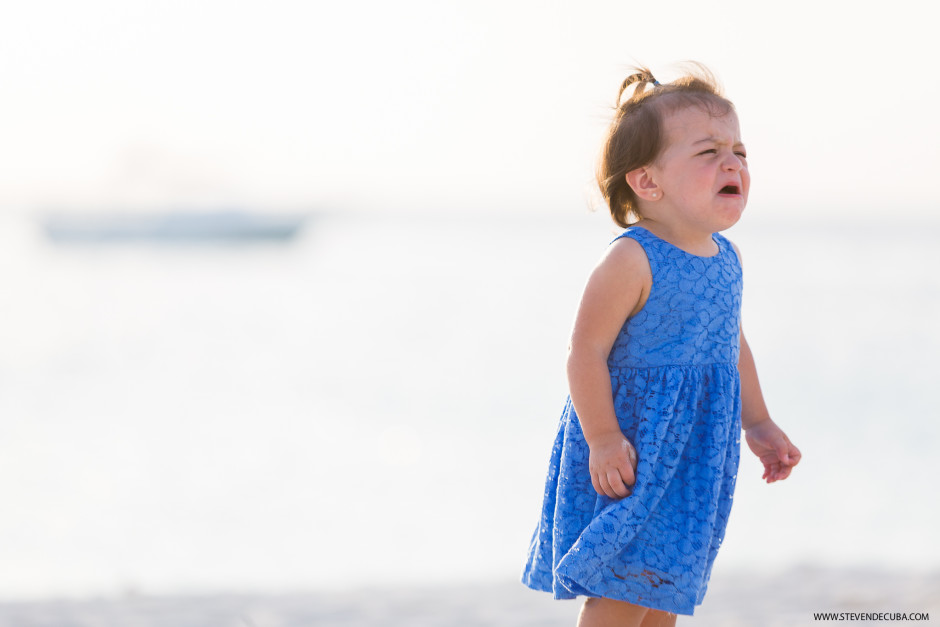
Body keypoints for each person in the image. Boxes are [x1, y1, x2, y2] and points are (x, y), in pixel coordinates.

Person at [521, 65, 801, 626]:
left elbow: (730, 344)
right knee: (622, 581)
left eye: (739, 151)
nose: (733, 163)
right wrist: (602, 438)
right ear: (648, 182)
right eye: (708, 152)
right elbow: (585, 353)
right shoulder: (631, 259)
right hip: (634, 445)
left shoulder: (729, 259)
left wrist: (759, 422)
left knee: (662, 582)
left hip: (694, 450)